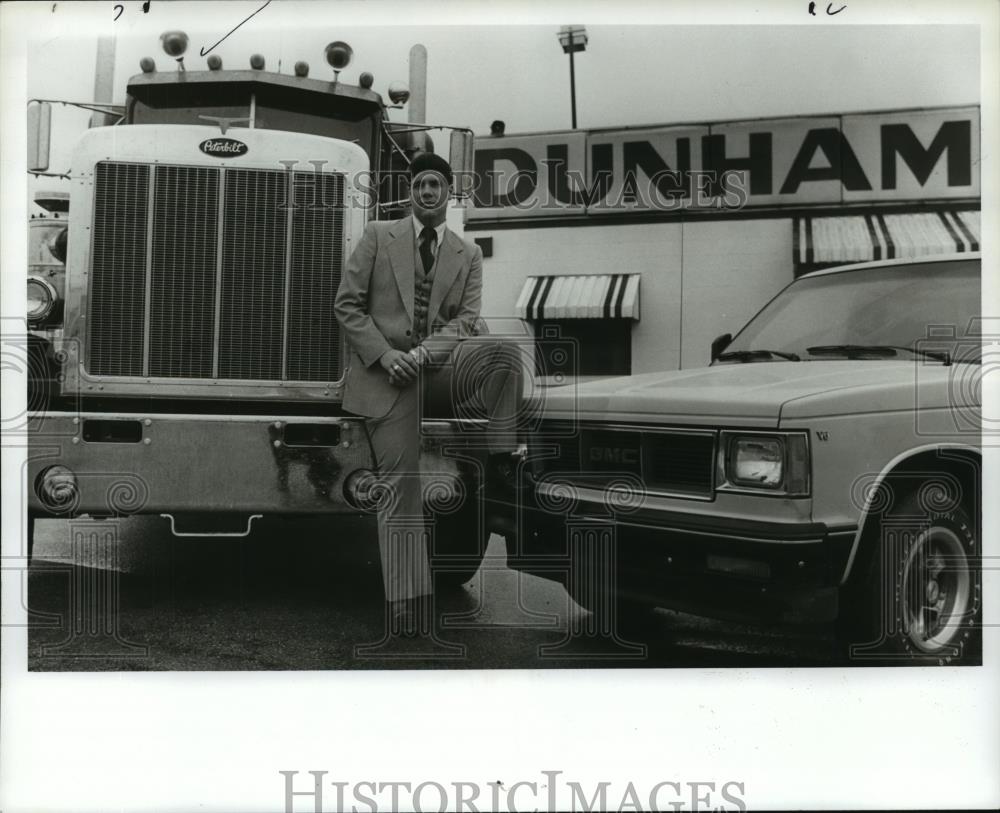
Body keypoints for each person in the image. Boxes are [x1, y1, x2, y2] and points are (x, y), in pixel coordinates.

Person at [334, 152, 521, 638]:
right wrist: (385, 355)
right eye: (420, 184)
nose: (427, 192)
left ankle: (502, 461)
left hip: (433, 368)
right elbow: (347, 305)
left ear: (448, 192)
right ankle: (406, 606)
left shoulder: (468, 253)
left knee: (503, 353)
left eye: (436, 184)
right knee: (401, 488)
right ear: (411, 192)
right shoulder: (378, 236)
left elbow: (464, 320)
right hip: (385, 375)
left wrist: (422, 355)